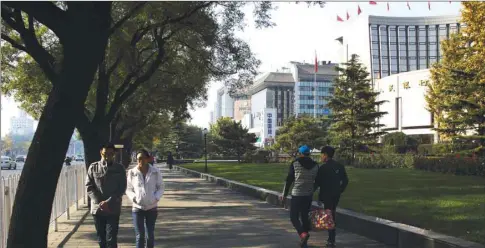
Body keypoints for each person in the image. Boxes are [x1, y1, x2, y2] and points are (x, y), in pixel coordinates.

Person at [86, 142, 127, 248]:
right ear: (101, 152)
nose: (107, 156)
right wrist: (100, 202)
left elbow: (122, 188)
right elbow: (89, 187)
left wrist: (108, 202)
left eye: (110, 154)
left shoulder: (119, 168)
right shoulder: (93, 167)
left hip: (113, 208)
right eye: (105, 154)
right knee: (101, 238)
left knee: (111, 238)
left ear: (114, 154)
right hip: (97, 208)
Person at [281, 145, 319, 248]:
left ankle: (303, 234)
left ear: (300, 153)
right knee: (304, 217)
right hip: (308, 195)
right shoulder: (316, 165)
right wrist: (312, 189)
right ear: (309, 153)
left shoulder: (295, 163)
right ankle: (304, 243)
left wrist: (284, 194)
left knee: (294, 217)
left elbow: (289, 180)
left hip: (297, 194)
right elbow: (317, 181)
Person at [126, 149, 164, 248]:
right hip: (137, 208)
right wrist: (134, 198)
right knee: (140, 235)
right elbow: (128, 188)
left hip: (152, 207)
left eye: (143, 158)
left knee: (150, 234)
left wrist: (156, 198)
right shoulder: (132, 172)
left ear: (147, 159)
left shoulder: (155, 172)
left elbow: (161, 187)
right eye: (138, 158)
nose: (140, 161)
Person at [313, 146, 349, 248]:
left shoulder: (323, 168)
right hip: (336, 194)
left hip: (327, 195)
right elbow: (345, 180)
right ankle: (331, 237)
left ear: (325, 155)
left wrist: (312, 193)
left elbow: (318, 183)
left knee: (330, 215)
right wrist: (340, 190)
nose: (321, 156)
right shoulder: (339, 166)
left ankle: (331, 239)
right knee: (331, 213)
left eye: (321, 154)